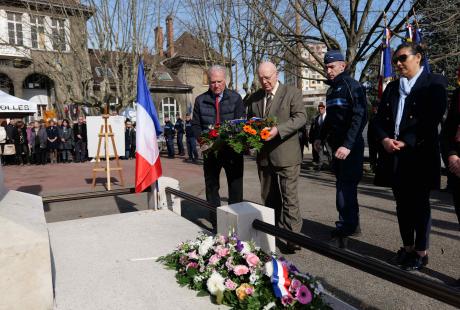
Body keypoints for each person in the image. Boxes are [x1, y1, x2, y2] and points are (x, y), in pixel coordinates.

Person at [373, 42, 447, 271]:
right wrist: (385, 139)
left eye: (403, 58)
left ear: (418, 58)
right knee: (402, 205)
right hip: (395, 155)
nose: (397, 63)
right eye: (395, 60)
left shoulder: (434, 83)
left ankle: (421, 252)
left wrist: (408, 141)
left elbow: (431, 118)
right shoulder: (393, 88)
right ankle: (407, 248)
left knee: (420, 205)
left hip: (420, 155)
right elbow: (379, 119)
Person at [246, 61, 307, 252]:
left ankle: (291, 237)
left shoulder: (292, 93)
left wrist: (278, 130)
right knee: (269, 198)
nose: (265, 82)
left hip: (287, 155)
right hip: (264, 157)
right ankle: (272, 233)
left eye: (268, 77)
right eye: (261, 78)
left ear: (277, 74)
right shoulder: (254, 98)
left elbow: (300, 117)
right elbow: (250, 123)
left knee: (289, 198)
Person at [314, 50, 367, 242]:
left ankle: (346, 226)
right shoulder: (331, 90)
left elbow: (360, 117)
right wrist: (320, 137)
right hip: (336, 147)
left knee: (345, 187)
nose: (328, 70)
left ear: (342, 65)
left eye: (332, 66)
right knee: (342, 186)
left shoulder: (352, 86)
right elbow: (330, 120)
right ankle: (351, 223)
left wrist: (348, 145)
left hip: (349, 147)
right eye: (326, 67)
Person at [192, 65, 245, 212]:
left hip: (232, 152)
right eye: (213, 82)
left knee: (235, 187)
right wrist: (203, 140)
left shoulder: (236, 98)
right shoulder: (200, 100)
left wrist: (232, 140)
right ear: (209, 81)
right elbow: (195, 124)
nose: (216, 85)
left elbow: (241, 123)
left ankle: (236, 219)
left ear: (225, 80)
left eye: (219, 81)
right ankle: (216, 221)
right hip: (211, 152)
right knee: (211, 187)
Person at [309, 103, 331, 170]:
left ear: (324, 109)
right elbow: (314, 129)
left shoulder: (328, 117)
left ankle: (332, 166)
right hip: (319, 138)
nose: (320, 110)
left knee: (329, 152)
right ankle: (320, 165)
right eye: (319, 108)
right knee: (320, 152)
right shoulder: (317, 118)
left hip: (327, 138)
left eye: (321, 108)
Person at [367, 104, 379, 172]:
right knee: (372, 153)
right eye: (373, 108)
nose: (374, 109)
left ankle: (375, 166)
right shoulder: (372, 116)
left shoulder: (380, 116)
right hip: (372, 137)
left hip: (378, 138)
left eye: (375, 108)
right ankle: (373, 166)